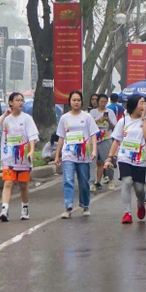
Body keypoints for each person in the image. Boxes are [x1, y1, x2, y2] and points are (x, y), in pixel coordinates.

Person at [0, 92, 39, 222]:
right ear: (10, 103)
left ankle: (24, 207)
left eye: (22, 100)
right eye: (17, 100)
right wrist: (4, 115)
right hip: (8, 158)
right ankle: (4, 209)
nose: (20, 102)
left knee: (23, 185)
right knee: (8, 183)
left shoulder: (27, 118)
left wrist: (31, 152)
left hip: (23, 159)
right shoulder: (6, 119)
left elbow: (32, 136)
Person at [109, 94, 146, 224]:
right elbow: (116, 141)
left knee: (139, 188)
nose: (144, 106)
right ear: (133, 105)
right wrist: (110, 157)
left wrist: (143, 119)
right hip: (125, 157)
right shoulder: (123, 121)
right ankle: (127, 213)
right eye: (141, 103)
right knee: (127, 182)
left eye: (145, 103)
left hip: (140, 158)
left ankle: (140, 204)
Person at [56, 91, 97, 219]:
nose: (76, 102)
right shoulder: (64, 118)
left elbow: (93, 134)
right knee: (68, 180)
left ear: (82, 101)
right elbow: (61, 137)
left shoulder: (87, 117)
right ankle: (68, 207)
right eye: (74, 100)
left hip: (83, 155)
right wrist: (57, 155)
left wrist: (94, 150)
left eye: (78, 100)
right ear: (70, 101)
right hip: (68, 154)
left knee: (84, 181)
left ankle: (85, 205)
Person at [90, 93, 117, 191]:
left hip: (106, 138)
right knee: (92, 162)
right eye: (101, 101)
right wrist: (98, 120)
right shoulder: (92, 112)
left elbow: (114, 127)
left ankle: (110, 180)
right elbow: (88, 125)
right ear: (98, 102)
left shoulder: (110, 112)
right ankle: (92, 182)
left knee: (107, 160)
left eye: (105, 102)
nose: (103, 104)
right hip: (93, 140)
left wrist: (108, 120)